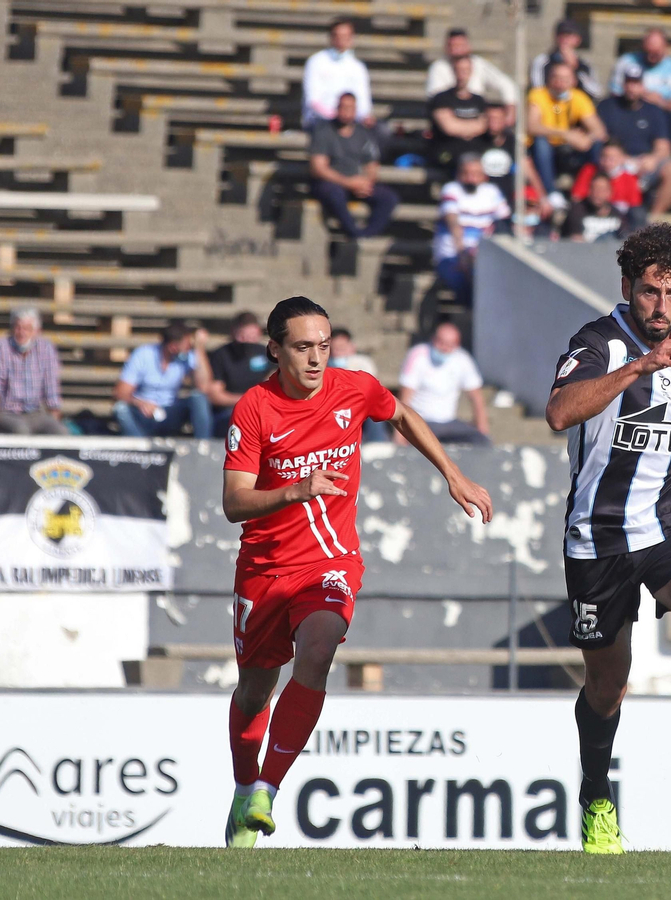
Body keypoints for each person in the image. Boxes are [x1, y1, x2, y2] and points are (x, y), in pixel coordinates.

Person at [222, 295, 492, 848]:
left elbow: (403, 415)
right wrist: (296, 489)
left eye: (323, 346)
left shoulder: (355, 388)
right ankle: (244, 787)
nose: (316, 358)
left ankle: (267, 790)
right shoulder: (254, 408)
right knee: (254, 690)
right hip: (265, 569)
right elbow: (234, 502)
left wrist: (453, 473)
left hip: (331, 561)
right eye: (302, 347)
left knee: (318, 651)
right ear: (274, 350)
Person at [544, 224, 671, 854]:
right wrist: (640, 365)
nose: (662, 307)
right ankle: (596, 796)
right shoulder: (596, 343)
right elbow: (558, 412)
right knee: (609, 685)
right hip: (599, 536)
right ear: (627, 285)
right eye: (651, 292)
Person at [597, 63, 671, 219]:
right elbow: (600, 137)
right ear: (623, 84)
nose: (632, 88)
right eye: (629, 83)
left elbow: (663, 146)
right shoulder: (607, 107)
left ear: (643, 85)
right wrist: (621, 159)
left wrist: (653, 159)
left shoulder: (654, 111)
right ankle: (607, 215)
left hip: (645, 162)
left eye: (636, 83)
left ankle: (653, 219)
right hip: (615, 161)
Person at [308, 93, 398, 240]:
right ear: (337, 108)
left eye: (350, 108)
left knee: (388, 198)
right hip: (332, 183)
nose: (346, 112)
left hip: (356, 183)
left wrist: (366, 183)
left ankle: (367, 235)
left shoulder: (363, 133)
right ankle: (353, 232)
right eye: (343, 107)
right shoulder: (323, 131)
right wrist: (348, 182)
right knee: (334, 194)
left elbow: (372, 164)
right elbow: (318, 168)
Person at [611, 29, 671, 175]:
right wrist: (640, 95)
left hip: (661, 112)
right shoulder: (627, 61)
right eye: (648, 51)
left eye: (656, 52)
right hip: (631, 107)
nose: (652, 56)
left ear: (666, 48)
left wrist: (660, 102)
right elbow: (615, 92)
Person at [433, 153, 511, 307]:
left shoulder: (492, 192)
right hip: (452, 255)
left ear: (484, 176)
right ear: (458, 174)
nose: (471, 179)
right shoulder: (451, 190)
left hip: (483, 254)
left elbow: (505, 221)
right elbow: (453, 223)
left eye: (476, 174)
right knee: (464, 281)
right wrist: (462, 254)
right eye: (466, 173)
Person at [526, 62, 606, 207]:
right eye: (556, 77)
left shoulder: (579, 97)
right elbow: (532, 126)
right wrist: (565, 134)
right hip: (545, 149)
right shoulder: (538, 95)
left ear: (573, 81)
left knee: (596, 145)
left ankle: (585, 190)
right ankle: (551, 192)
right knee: (541, 142)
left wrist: (586, 139)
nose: (560, 83)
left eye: (565, 78)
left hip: (569, 149)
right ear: (549, 79)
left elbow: (599, 130)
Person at [113, 323, 214, 438]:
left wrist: (199, 349)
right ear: (173, 347)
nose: (189, 346)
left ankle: (203, 443)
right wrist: (140, 403)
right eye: (187, 344)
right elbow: (120, 393)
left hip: (171, 411)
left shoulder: (186, 357)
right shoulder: (143, 355)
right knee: (120, 408)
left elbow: (203, 387)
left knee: (198, 398)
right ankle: (139, 444)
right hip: (144, 413)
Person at [398, 322, 489, 445]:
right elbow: (404, 398)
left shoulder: (463, 359)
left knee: (481, 442)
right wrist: (400, 434)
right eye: (441, 342)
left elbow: (476, 397)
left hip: (448, 422)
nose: (444, 348)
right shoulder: (418, 355)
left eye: (450, 344)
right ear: (433, 339)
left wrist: (482, 429)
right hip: (421, 421)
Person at [0, 307, 66, 435]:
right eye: (18, 327)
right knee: (21, 430)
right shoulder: (0, 348)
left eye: (27, 328)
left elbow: (52, 392)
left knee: (60, 431)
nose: (21, 333)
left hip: (35, 413)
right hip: (7, 412)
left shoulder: (46, 349)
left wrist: (55, 423)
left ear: (36, 331)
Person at [426, 28, 517, 127]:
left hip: (477, 115)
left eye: (460, 45)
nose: (457, 50)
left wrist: (510, 112)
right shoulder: (438, 68)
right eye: (454, 46)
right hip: (451, 120)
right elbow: (437, 101)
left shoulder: (479, 64)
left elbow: (506, 84)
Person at [206, 312, 274, 435]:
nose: (247, 341)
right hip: (228, 411)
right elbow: (215, 395)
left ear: (259, 333)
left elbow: (274, 383)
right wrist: (247, 400)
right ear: (233, 333)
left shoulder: (266, 354)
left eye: (252, 337)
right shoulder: (221, 355)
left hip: (260, 410)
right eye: (242, 336)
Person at [301, 18, 372, 130]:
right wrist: (336, 117)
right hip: (321, 121)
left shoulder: (358, 67)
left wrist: (359, 117)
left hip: (350, 121)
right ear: (331, 37)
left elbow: (364, 103)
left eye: (345, 36)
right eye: (338, 36)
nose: (342, 40)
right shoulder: (316, 62)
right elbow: (313, 101)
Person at [531, 18, 601, 99]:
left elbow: (596, 92)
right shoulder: (543, 61)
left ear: (578, 39)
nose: (565, 39)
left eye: (569, 35)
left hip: (576, 104)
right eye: (561, 35)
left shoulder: (585, 64)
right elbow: (537, 90)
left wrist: (576, 68)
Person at [563, 171, 629, 243]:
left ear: (610, 192)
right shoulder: (577, 211)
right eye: (594, 188)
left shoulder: (618, 216)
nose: (597, 193)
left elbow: (623, 240)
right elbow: (574, 240)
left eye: (602, 189)